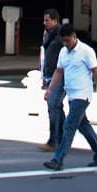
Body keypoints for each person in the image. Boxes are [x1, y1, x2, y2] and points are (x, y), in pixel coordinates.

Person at [43, 25, 97, 170]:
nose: (66, 44)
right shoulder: (63, 52)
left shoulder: (86, 51)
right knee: (83, 126)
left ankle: (57, 159)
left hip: (82, 95)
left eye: (68, 41)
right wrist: (50, 89)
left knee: (69, 125)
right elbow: (58, 72)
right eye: (63, 41)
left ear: (74, 36)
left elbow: (96, 72)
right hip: (71, 95)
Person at [38, 8, 65, 150]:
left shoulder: (60, 35)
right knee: (57, 107)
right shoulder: (47, 34)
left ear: (55, 20)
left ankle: (53, 140)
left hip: (59, 75)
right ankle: (62, 138)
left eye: (47, 20)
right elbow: (44, 55)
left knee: (53, 105)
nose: (45, 23)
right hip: (51, 74)